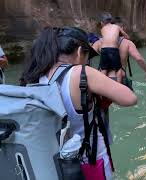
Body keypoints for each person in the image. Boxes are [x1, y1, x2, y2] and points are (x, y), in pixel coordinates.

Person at [20, 26, 137, 179]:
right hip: (89, 160)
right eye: (87, 57)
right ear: (80, 51)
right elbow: (130, 98)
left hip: (56, 163)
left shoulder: (35, 76)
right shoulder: (81, 73)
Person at [93, 12, 130, 83]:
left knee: (104, 69)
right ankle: (119, 87)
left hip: (104, 50)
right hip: (113, 50)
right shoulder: (117, 27)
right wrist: (125, 37)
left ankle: (102, 87)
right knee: (118, 70)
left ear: (102, 23)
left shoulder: (102, 29)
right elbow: (126, 36)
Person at [113, 16, 146, 82]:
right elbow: (139, 59)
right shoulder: (127, 43)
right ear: (122, 28)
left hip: (104, 78)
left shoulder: (101, 41)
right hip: (119, 78)